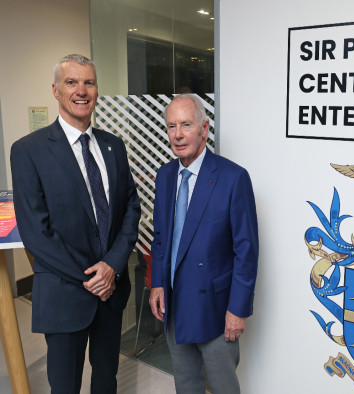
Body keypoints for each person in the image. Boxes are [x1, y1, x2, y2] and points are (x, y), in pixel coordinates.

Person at [10, 54, 140, 394]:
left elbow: (130, 208)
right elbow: (37, 234)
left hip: (110, 294)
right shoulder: (29, 151)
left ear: (97, 90)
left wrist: (111, 266)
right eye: (72, 82)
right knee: (64, 386)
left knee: (105, 381)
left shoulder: (115, 146)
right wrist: (94, 278)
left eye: (89, 82)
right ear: (55, 90)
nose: (81, 91)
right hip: (65, 294)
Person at [149, 94, 259, 394]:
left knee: (224, 388)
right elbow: (160, 238)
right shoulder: (165, 175)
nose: (178, 134)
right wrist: (158, 283)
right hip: (175, 306)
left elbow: (246, 252)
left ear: (204, 128)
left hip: (216, 310)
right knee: (186, 387)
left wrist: (237, 310)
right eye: (171, 126)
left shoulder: (232, 177)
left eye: (186, 124)